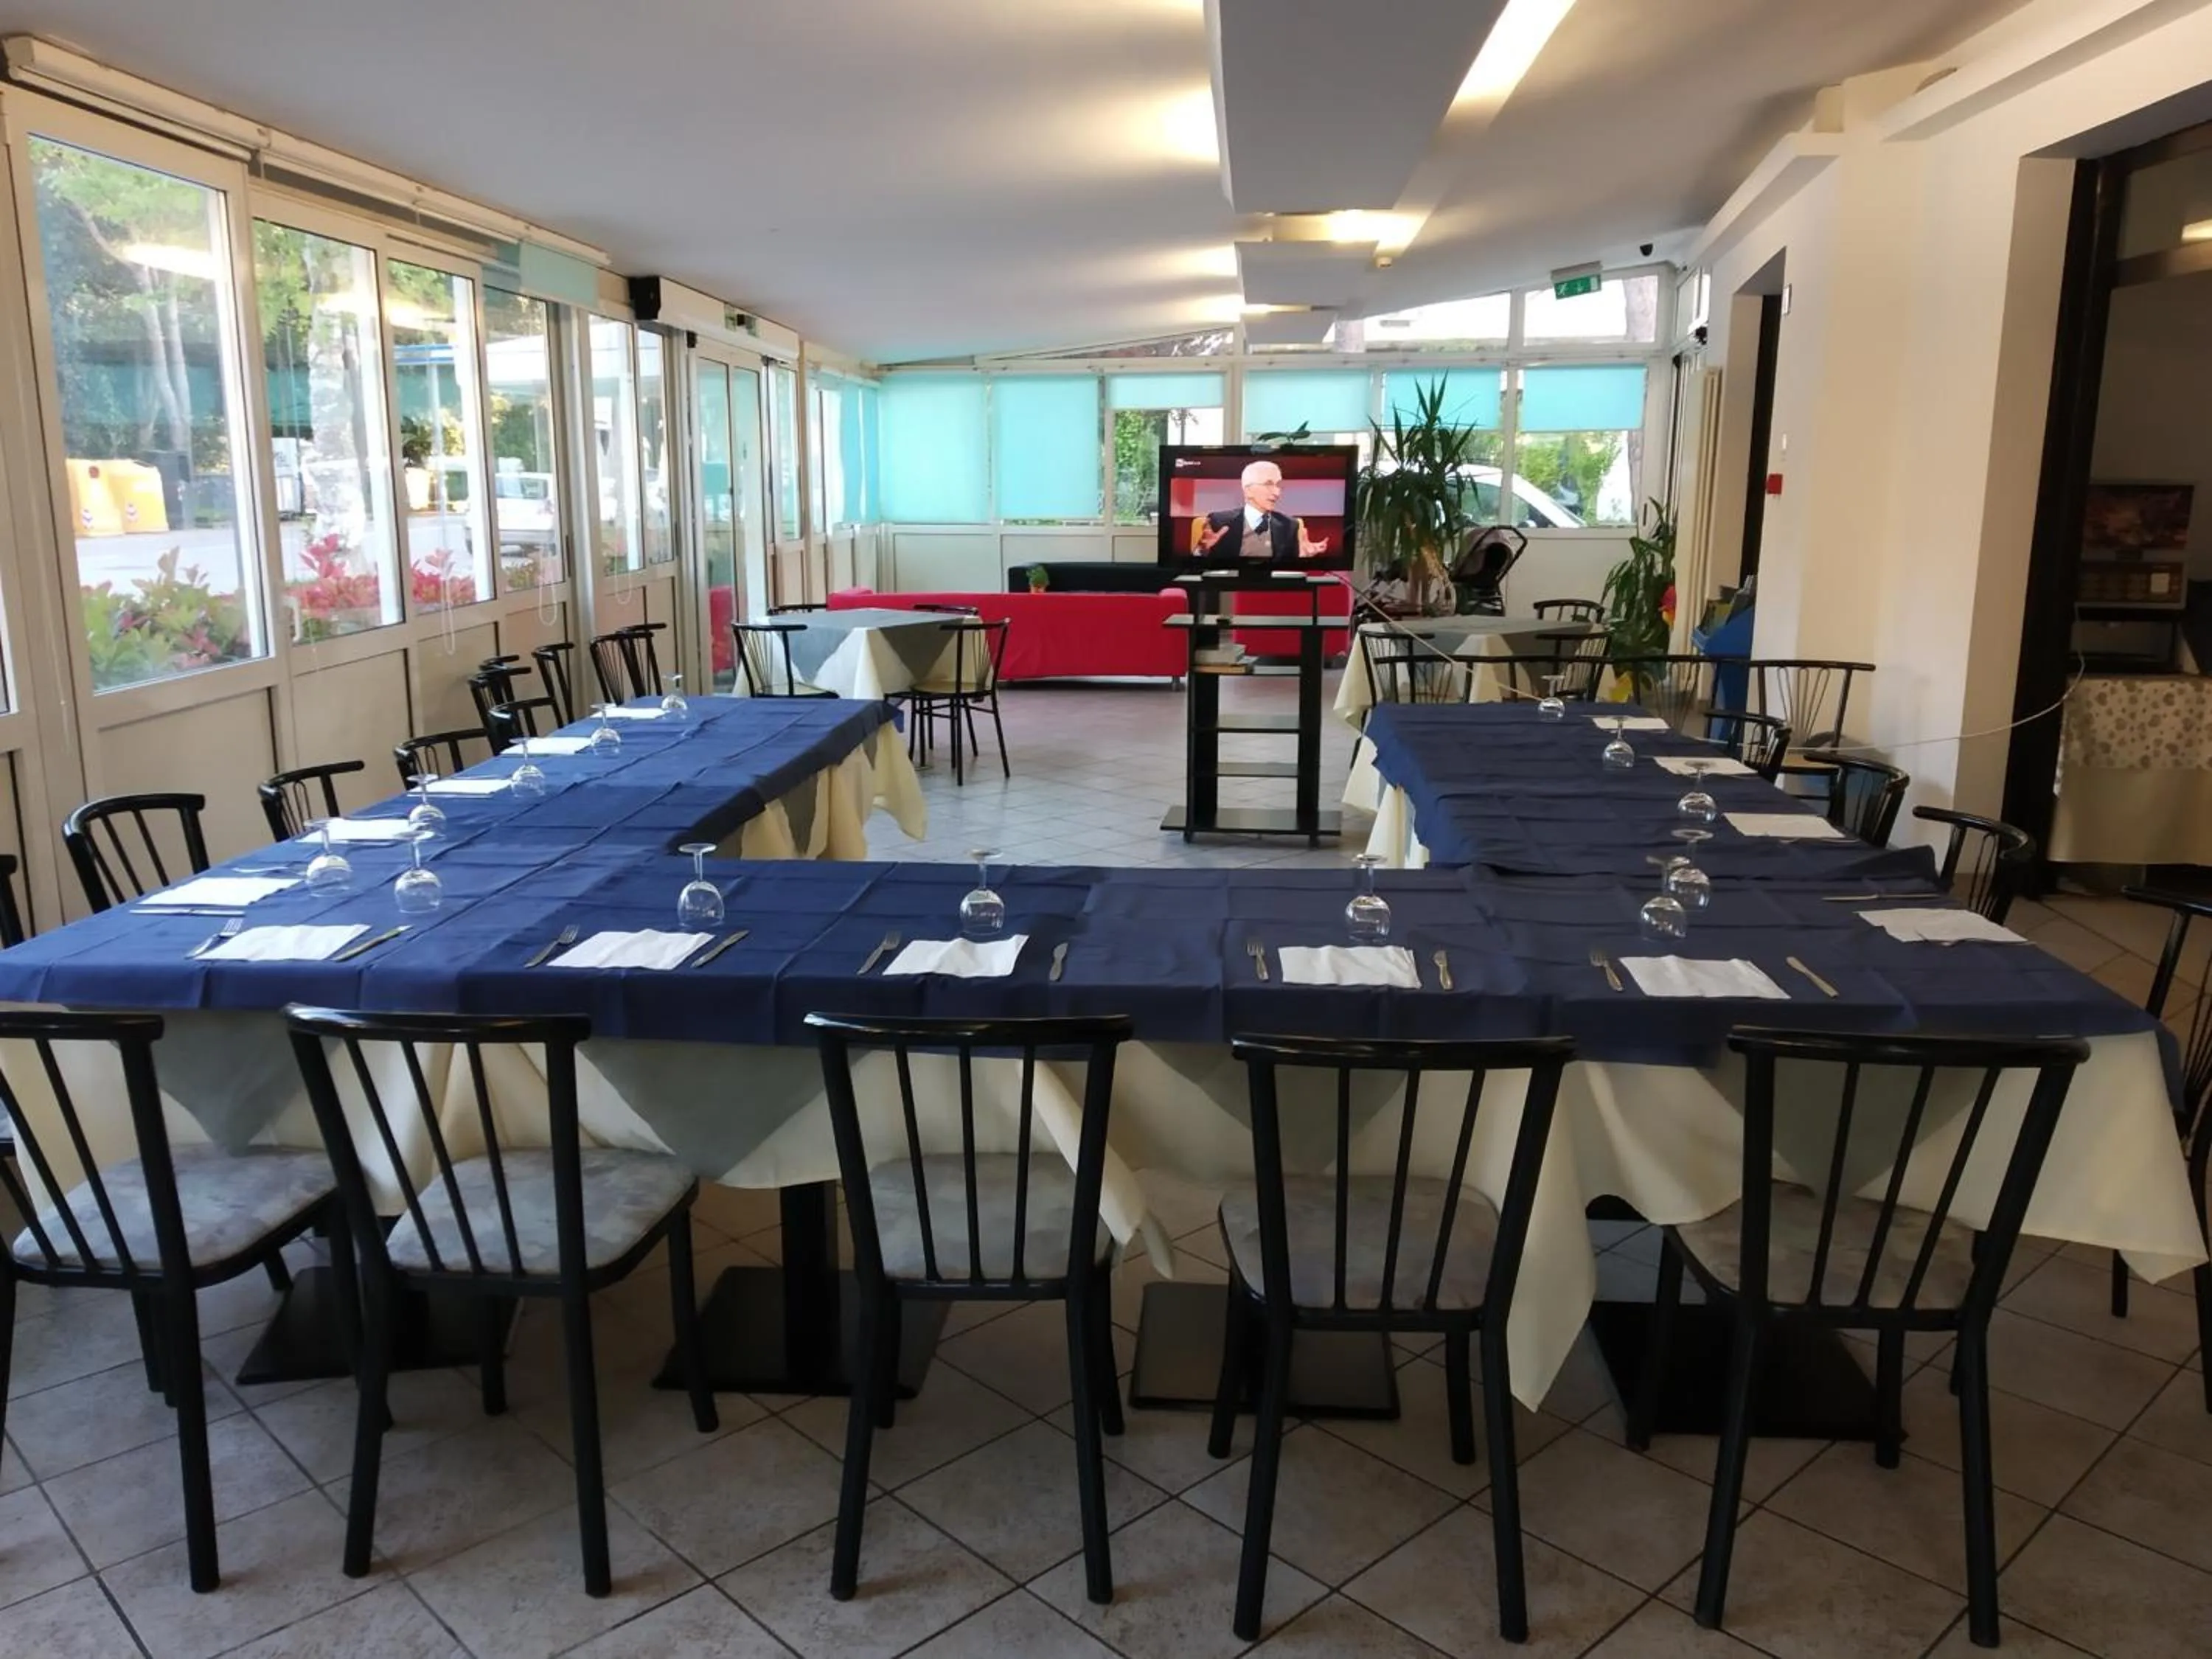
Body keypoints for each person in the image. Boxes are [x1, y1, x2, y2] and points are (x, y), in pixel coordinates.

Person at [1192, 460, 1332, 563]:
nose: (1277, 493)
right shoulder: (1220, 522)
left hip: (1275, 590)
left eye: (1279, 485)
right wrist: (1201, 550)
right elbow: (1198, 569)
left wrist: (1302, 557)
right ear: (1248, 490)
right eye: (1269, 484)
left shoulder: (1289, 525)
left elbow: (1290, 571)